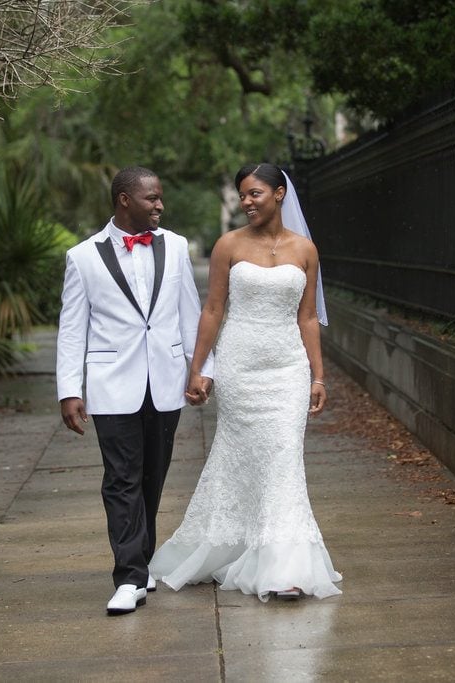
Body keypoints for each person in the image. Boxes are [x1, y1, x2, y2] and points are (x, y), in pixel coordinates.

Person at [149, 162, 342, 602]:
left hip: (288, 369)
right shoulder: (228, 245)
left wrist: (318, 374)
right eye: (242, 195)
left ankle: (284, 568)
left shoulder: (305, 249)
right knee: (244, 457)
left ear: (279, 194)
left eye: (255, 193)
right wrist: (198, 369)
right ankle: (235, 546)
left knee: (283, 459)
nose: (247, 202)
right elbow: (213, 310)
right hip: (240, 367)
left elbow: (308, 316)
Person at [56, 166, 213, 615]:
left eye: (160, 197)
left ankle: (140, 562)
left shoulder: (178, 247)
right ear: (125, 200)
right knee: (121, 478)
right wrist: (70, 389)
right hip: (111, 384)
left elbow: (190, 314)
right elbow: (72, 329)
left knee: (153, 477)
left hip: (164, 383)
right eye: (151, 198)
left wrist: (201, 370)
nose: (159, 205)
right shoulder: (83, 257)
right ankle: (128, 576)